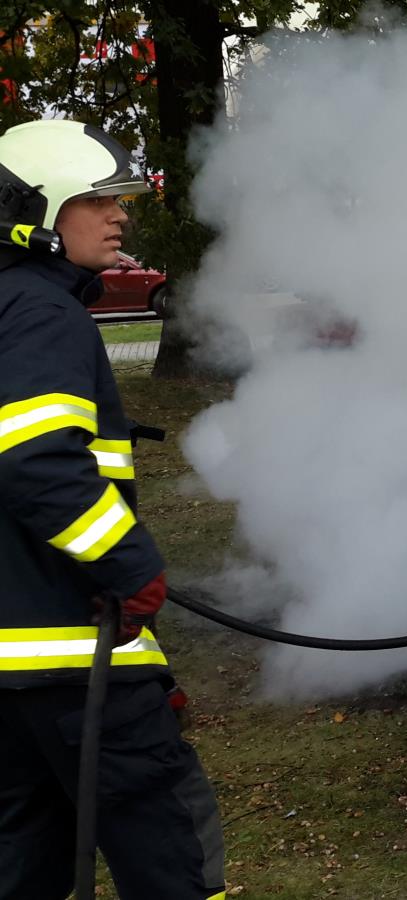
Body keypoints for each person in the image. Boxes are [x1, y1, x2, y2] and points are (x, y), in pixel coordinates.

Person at [0, 119, 225, 899]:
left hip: (16, 665)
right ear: (37, 212)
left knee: (25, 860)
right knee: (170, 846)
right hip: (74, 646)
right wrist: (130, 566)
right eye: (97, 199)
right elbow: (37, 463)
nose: (118, 215)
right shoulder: (40, 313)